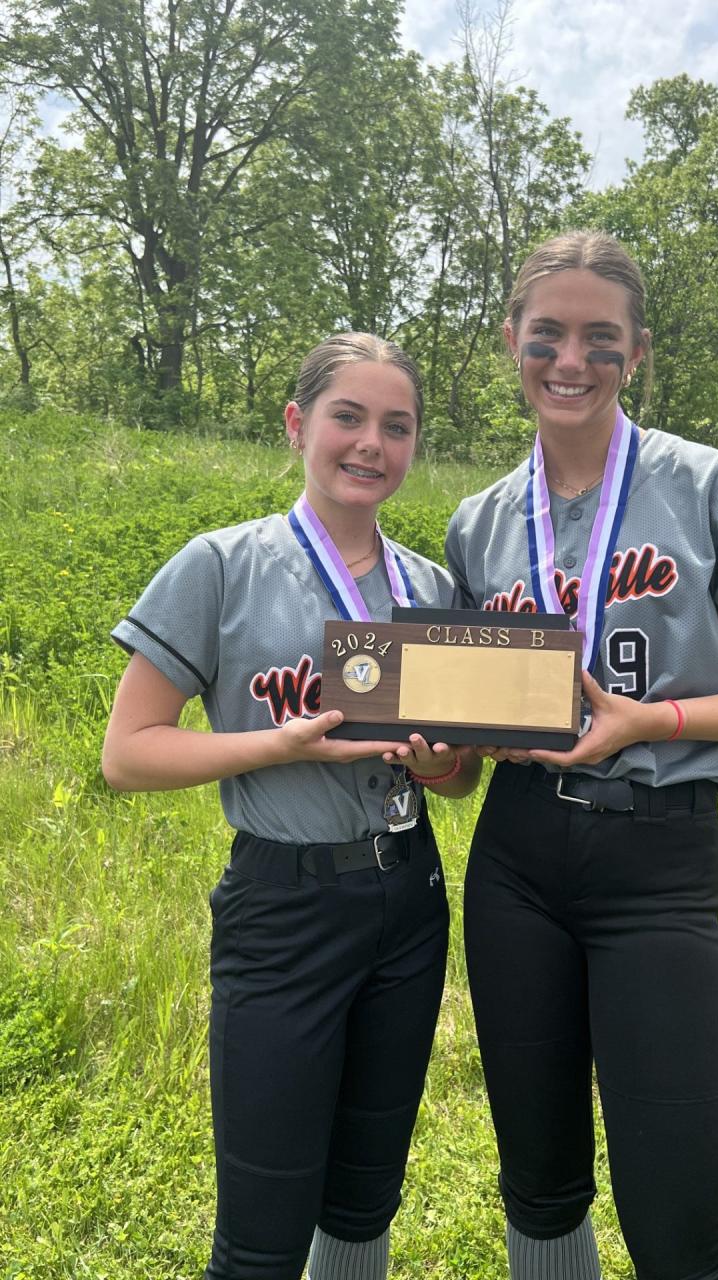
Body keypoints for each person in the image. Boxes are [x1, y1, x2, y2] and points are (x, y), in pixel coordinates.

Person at [445, 231, 718, 1280]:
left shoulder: (710, 484)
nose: (571, 360)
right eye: (548, 336)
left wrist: (652, 721)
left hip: (657, 859)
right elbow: (470, 741)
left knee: (676, 1212)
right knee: (538, 1179)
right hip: (518, 858)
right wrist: (433, 745)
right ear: (510, 342)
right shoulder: (478, 523)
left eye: (600, 339)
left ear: (638, 351)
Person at [102, 333, 480, 1280]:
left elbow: (458, 778)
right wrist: (282, 741)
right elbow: (128, 754)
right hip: (284, 909)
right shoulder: (219, 567)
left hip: (409, 902)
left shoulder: (428, 590)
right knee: (264, 1223)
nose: (370, 444)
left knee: (364, 1195)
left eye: (397, 427)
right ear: (298, 423)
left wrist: (441, 765)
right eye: (348, 416)